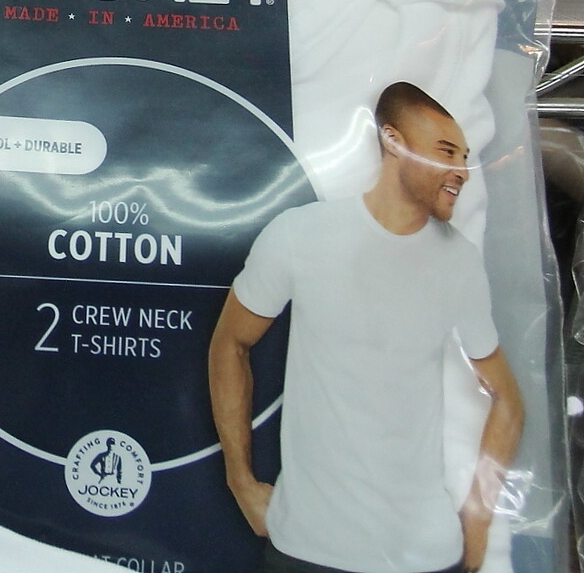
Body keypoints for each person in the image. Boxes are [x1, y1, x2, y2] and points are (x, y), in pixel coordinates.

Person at [208, 83, 523, 573]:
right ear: (393, 141)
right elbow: (230, 343)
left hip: (426, 556)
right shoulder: (300, 234)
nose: (461, 170)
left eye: (464, 157)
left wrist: (477, 521)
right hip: (306, 549)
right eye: (446, 152)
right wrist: (240, 481)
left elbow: (507, 399)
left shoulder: (459, 261)